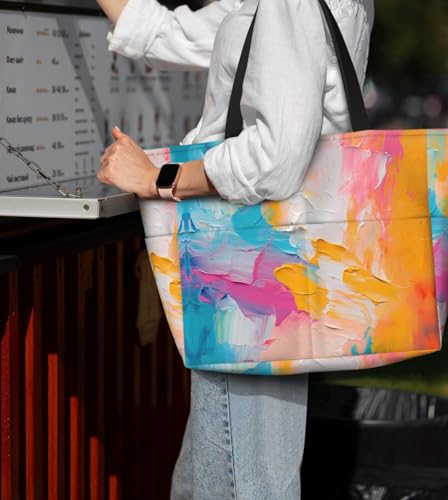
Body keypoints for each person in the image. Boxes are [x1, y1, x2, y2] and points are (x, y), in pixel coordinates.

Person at [96, 0, 374, 498]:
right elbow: (170, 33)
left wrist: (160, 177)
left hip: (250, 270)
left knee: (244, 480)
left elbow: (275, 157)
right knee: (218, 472)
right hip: (278, 264)